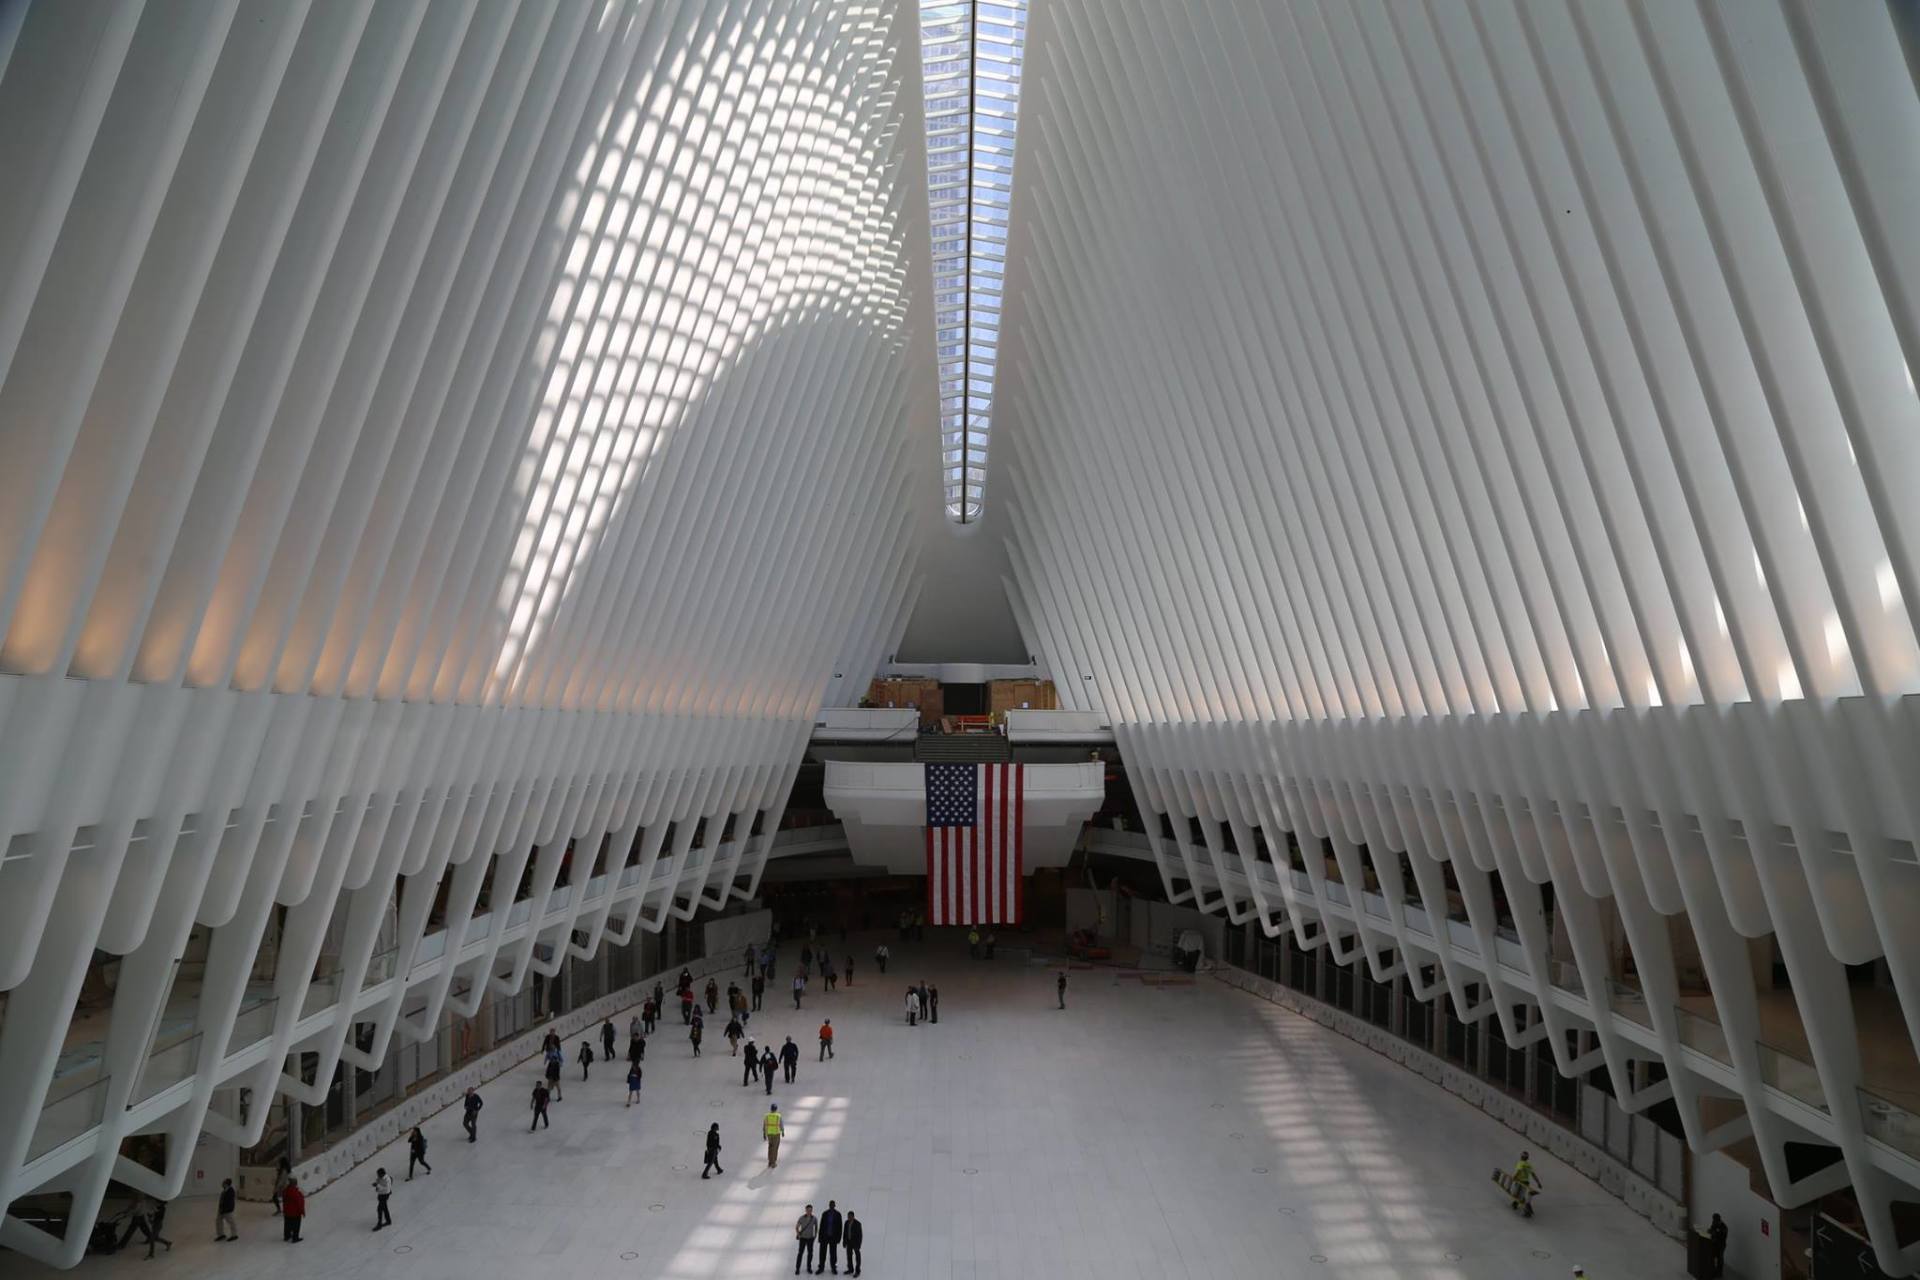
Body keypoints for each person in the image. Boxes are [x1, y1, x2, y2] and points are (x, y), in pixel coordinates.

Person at [818, 1200, 844, 1275]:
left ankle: (833, 1267)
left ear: (834, 1205)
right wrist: (820, 1237)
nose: (832, 1206)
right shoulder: (825, 1213)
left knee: (833, 1253)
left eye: (833, 1205)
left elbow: (840, 1227)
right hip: (824, 1237)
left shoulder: (838, 1214)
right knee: (822, 1253)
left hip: (833, 1237)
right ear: (829, 1205)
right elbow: (821, 1226)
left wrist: (839, 1238)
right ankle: (821, 1267)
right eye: (830, 1205)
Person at [795, 1204, 818, 1274]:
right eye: (808, 1210)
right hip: (803, 1238)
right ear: (806, 1210)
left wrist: (815, 1236)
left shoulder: (814, 1218)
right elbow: (797, 1227)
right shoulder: (801, 1218)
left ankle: (809, 1267)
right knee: (800, 1253)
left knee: (810, 1253)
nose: (809, 1211)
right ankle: (797, 1268)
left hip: (810, 1238)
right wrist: (798, 1234)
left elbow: (816, 1227)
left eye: (810, 1210)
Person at [216, 1178, 238, 1242]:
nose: (222, 1184)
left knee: (231, 1222)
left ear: (226, 1184)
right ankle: (221, 1234)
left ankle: (234, 1235)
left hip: (227, 1210)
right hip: (222, 1209)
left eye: (224, 1183)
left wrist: (226, 1209)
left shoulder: (231, 1191)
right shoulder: (224, 1190)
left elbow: (230, 1202)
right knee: (218, 1221)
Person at [1707, 1213, 1728, 1277]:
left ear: (1718, 1219)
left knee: (1720, 1259)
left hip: (1721, 1245)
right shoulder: (1714, 1223)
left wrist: (1714, 1233)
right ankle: (1713, 1271)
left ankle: (1719, 1273)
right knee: (1712, 1258)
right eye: (1713, 1220)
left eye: (1715, 1220)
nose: (1714, 1221)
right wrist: (1710, 1231)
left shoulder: (1724, 1227)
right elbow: (1712, 1230)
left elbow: (1721, 1235)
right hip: (1714, 1244)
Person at [844, 1210, 863, 1277]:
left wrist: (859, 1245)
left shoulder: (858, 1224)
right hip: (849, 1242)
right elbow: (845, 1233)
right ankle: (850, 1269)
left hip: (855, 1243)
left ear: (853, 1216)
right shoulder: (846, 1223)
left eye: (850, 1216)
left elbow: (860, 1235)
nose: (849, 1218)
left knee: (857, 1257)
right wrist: (844, 1242)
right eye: (848, 1216)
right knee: (849, 1256)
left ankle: (857, 1271)